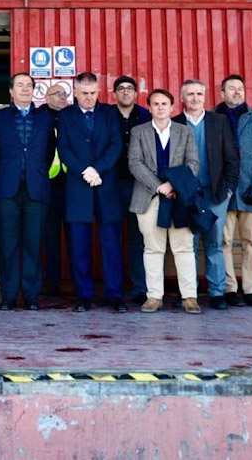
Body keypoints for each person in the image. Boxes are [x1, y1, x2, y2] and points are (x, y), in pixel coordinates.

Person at [56, 72, 126, 313]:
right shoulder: (65, 116)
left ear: (99, 92)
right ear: (75, 93)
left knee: (111, 245)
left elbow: (116, 145)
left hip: (106, 186)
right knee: (79, 246)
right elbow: (63, 148)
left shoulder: (109, 113)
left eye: (93, 93)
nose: (89, 98)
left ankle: (115, 295)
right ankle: (83, 295)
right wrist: (84, 170)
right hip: (78, 186)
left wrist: (97, 169)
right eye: (84, 94)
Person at [0, 73, 56, 310]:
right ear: (11, 91)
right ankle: (8, 296)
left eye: (29, 86)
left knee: (33, 245)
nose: (25, 89)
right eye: (20, 85)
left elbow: (48, 153)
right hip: (7, 191)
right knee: (8, 246)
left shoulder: (45, 119)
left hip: (36, 191)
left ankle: (31, 296)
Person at [128, 89, 201, 314]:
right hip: (149, 197)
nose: (160, 108)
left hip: (179, 197)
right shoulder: (138, 132)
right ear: (149, 107)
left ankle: (189, 297)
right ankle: (154, 297)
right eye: (155, 104)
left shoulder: (184, 132)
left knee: (184, 249)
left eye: (164, 104)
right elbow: (134, 162)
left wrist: (173, 185)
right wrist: (159, 185)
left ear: (172, 107)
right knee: (152, 249)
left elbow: (193, 163)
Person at [172, 79, 239, 310]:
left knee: (214, 245)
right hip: (187, 197)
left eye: (199, 93)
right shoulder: (174, 123)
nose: (195, 98)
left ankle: (217, 292)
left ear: (205, 96)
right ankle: (189, 294)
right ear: (182, 97)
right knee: (187, 246)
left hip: (216, 194)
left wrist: (229, 190)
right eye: (190, 94)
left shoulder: (218, 122)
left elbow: (232, 158)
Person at [214, 74, 252, 307]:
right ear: (222, 93)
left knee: (251, 242)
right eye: (231, 88)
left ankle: (250, 289)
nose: (237, 92)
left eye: (240, 88)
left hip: (251, 189)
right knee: (223, 241)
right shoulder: (212, 117)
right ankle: (229, 288)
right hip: (223, 190)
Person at [112, 75, 151, 305]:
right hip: (113, 184)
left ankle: (140, 287)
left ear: (136, 93)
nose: (126, 92)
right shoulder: (107, 115)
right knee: (112, 237)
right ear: (115, 93)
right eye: (121, 88)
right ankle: (114, 289)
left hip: (140, 185)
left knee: (139, 238)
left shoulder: (145, 116)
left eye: (130, 89)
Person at [39, 83, 70, 297]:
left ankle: (79, 281)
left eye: (64, 94)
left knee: (75, 235)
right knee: (50, 236)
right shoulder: (39, 116)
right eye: (58, 94)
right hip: (47, 185)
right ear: (47, 97)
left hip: (72, 185)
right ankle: (51, 281)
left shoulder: (72, 116)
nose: (62, 97)